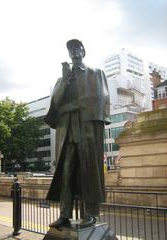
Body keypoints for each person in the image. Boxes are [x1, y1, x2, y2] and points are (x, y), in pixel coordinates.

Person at [44, 39, 110, 228]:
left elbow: (99, 99)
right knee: (66, 174)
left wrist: (72, 106)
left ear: (83, 50)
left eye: (76, 47)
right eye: (70, 49)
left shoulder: (96, 73)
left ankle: (89, 214)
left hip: (86, 129)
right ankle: (64, 215)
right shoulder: (62, 79)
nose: (73, 50)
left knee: (88, 172)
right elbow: (55, 104)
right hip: (67, 132)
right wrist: (65, 80)